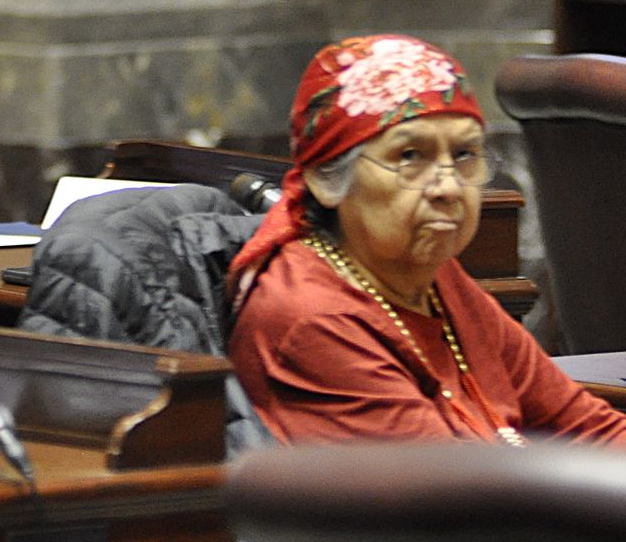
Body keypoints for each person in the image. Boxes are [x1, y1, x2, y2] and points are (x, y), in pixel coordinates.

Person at [228, 34, 626, 446]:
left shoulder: (432, 278)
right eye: (409, 157)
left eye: (464, 155)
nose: (448, 187)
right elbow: (454, 493)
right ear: (325, 181)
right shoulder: (311, 316)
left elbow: (586, 424)